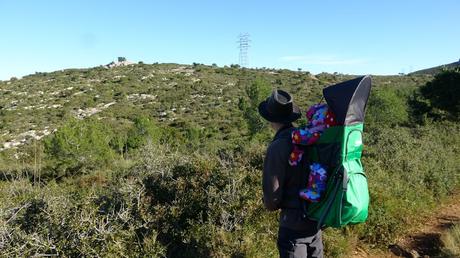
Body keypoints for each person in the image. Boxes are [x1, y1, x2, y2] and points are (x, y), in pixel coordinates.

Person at [258, 89, 324, 258]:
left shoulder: (278, 147)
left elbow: (272, 201)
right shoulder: (306, 137)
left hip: (293, 228)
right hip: (315, 222)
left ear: (270, 119)